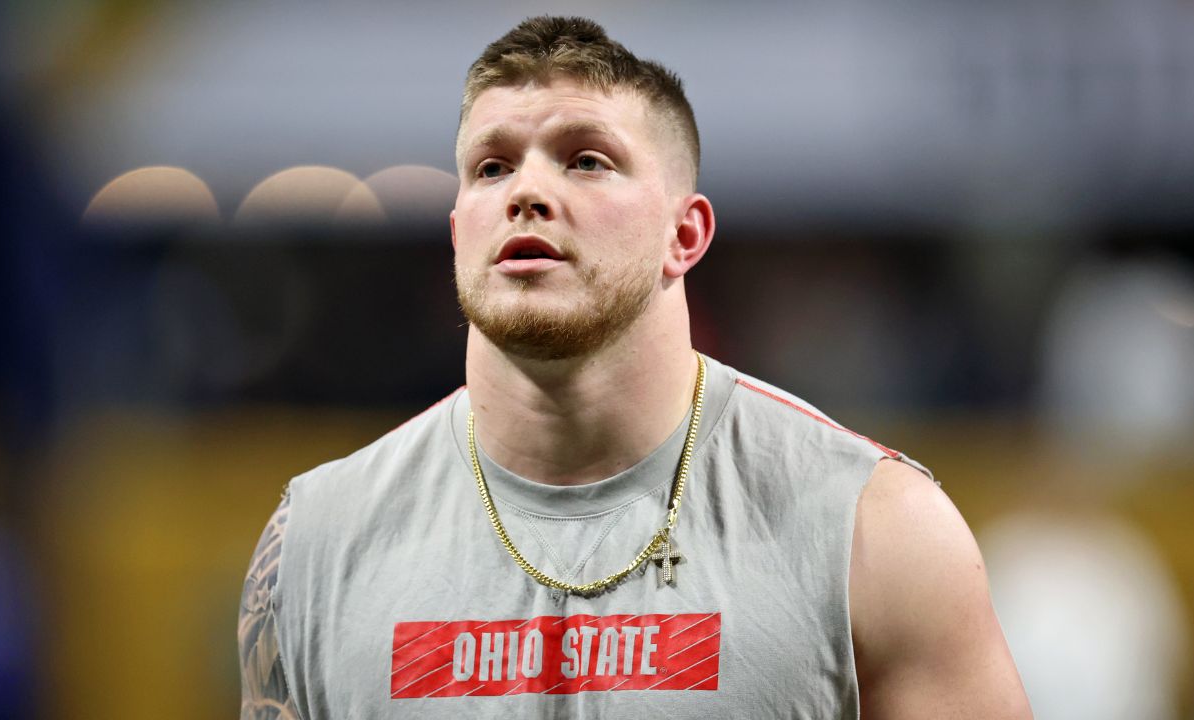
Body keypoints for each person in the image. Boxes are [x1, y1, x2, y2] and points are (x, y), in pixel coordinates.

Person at [238, 16, 1031, 719]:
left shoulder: (871, 528)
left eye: (585, 160)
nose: (527, 193)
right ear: (457, 233)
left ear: (684, 236)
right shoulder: (317, 540)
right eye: (491, 167)